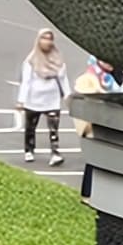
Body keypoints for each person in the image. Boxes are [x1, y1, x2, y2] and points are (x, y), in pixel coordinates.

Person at [14, 30, 71, 166]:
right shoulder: (31, 60)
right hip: (34, 99)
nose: (47, 42)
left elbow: (63, 78)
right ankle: (29, 149)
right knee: (31, 127)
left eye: (50, 39)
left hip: (52, 98)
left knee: (53, 128)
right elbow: (26, 81)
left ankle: (55, 153)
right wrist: (21, 100)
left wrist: (68, 95)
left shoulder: (57, 59)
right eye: (44, 38)